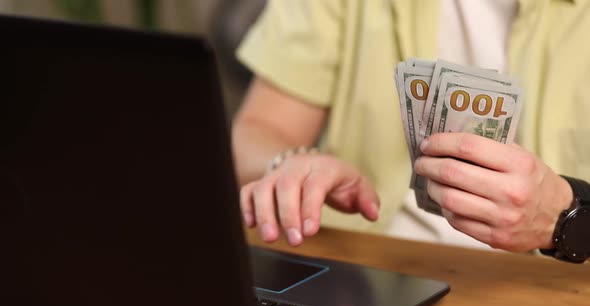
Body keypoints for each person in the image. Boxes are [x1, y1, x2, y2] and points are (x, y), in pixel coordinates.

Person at [231, 0, 590, 260]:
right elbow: (254, 135)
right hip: (364, 269)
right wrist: (292, 164)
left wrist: (566, 219)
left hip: (542, 291)